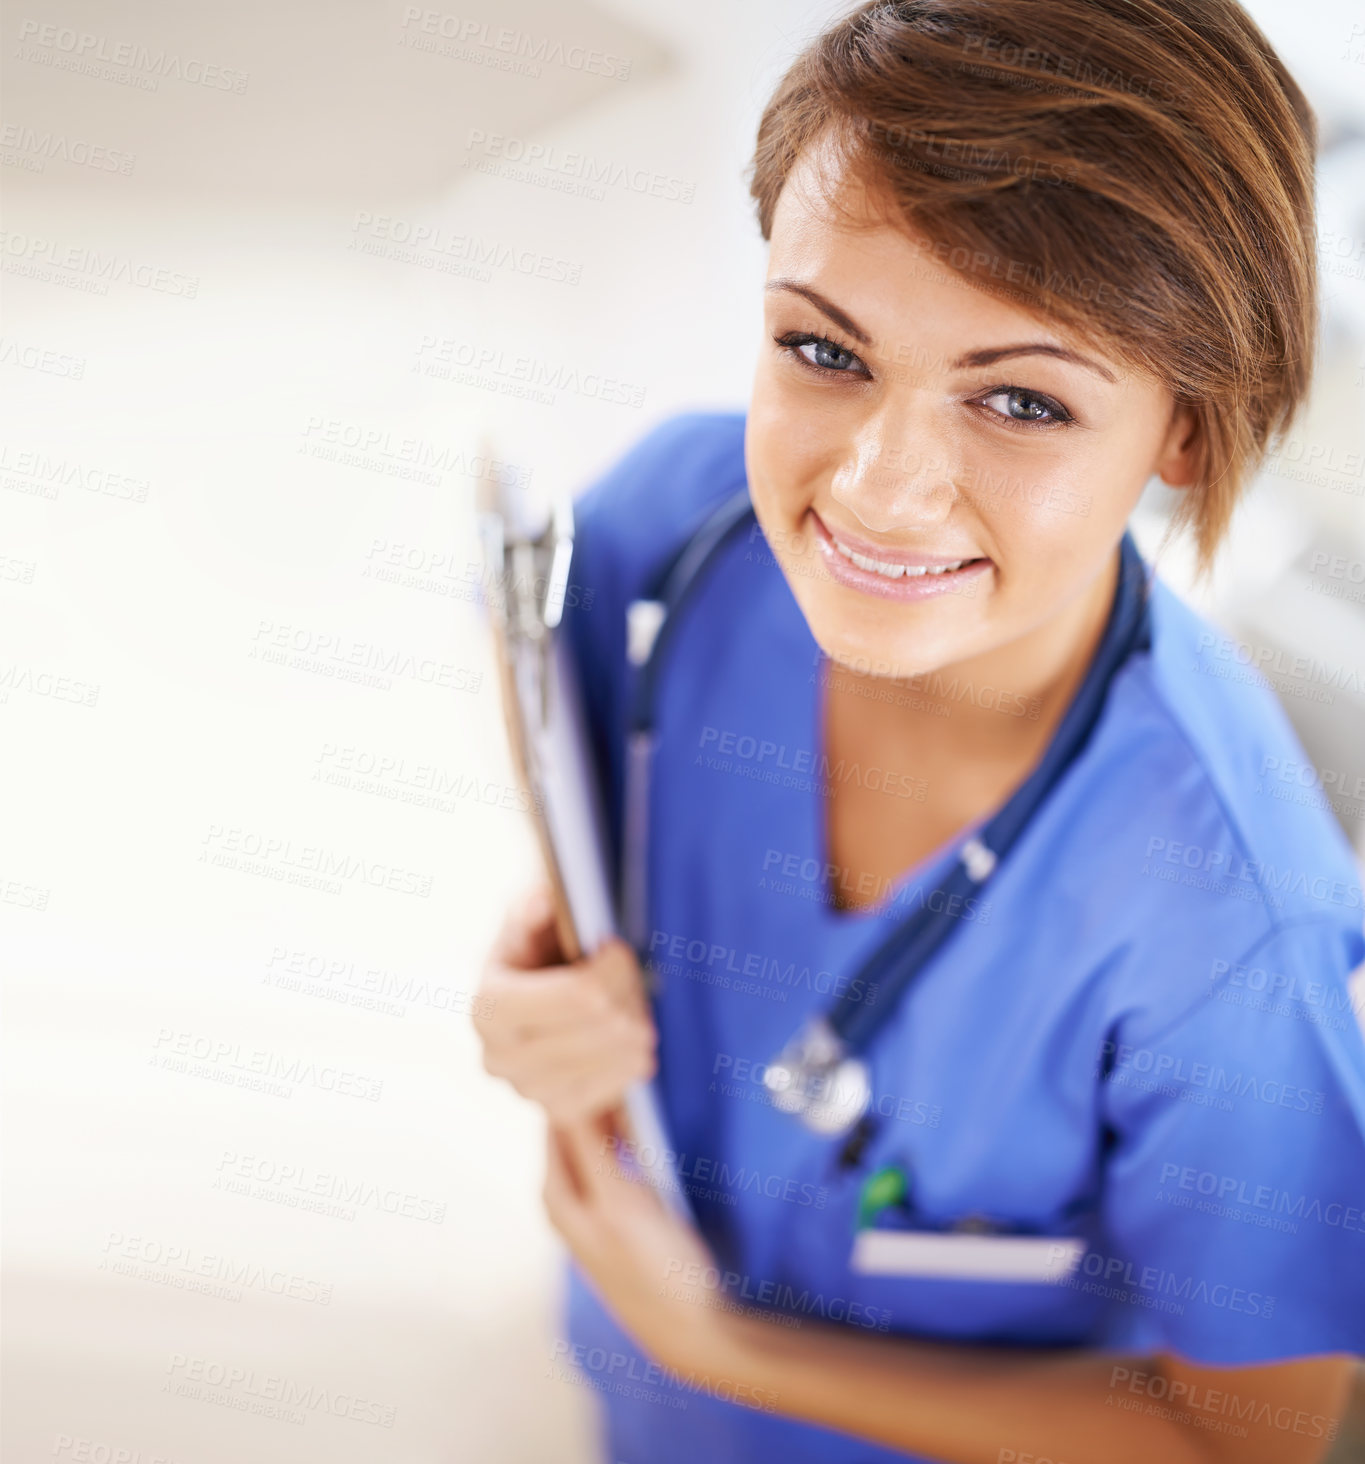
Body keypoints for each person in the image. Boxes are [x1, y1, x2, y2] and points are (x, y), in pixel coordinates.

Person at [474, 1, 1365, 1459]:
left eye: (1020, 399)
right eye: (823, 353)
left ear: (1187, 430)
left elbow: (1245, 1439)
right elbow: (546, 701)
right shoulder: (669, 524)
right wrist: (557, 930)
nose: (879, 490)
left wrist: (721, 1347)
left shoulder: (1228, 927)